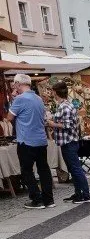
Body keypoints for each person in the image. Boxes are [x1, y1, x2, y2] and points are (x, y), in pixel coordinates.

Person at [6, 74, 54, 209]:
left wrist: (13, 98)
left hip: (26, 141)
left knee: (27, 170)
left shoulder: (20, 99)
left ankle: (37, 199)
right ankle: (49, 199)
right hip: (41, 140)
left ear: (18, 84)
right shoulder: (38, 98)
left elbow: (9, 117)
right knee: (44, 169)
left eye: (14, 84)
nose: (14, 87)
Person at [46, 80, 90, 204]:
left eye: (52, 92)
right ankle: (78, 193)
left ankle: (85, 195)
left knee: (75, 169)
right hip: (68, 141)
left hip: (69, 142)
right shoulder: (66, 105)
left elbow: (66, 125)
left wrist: (51, 123)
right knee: (73, 169)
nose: (51, 94)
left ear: (56, 92)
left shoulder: (64, 106)